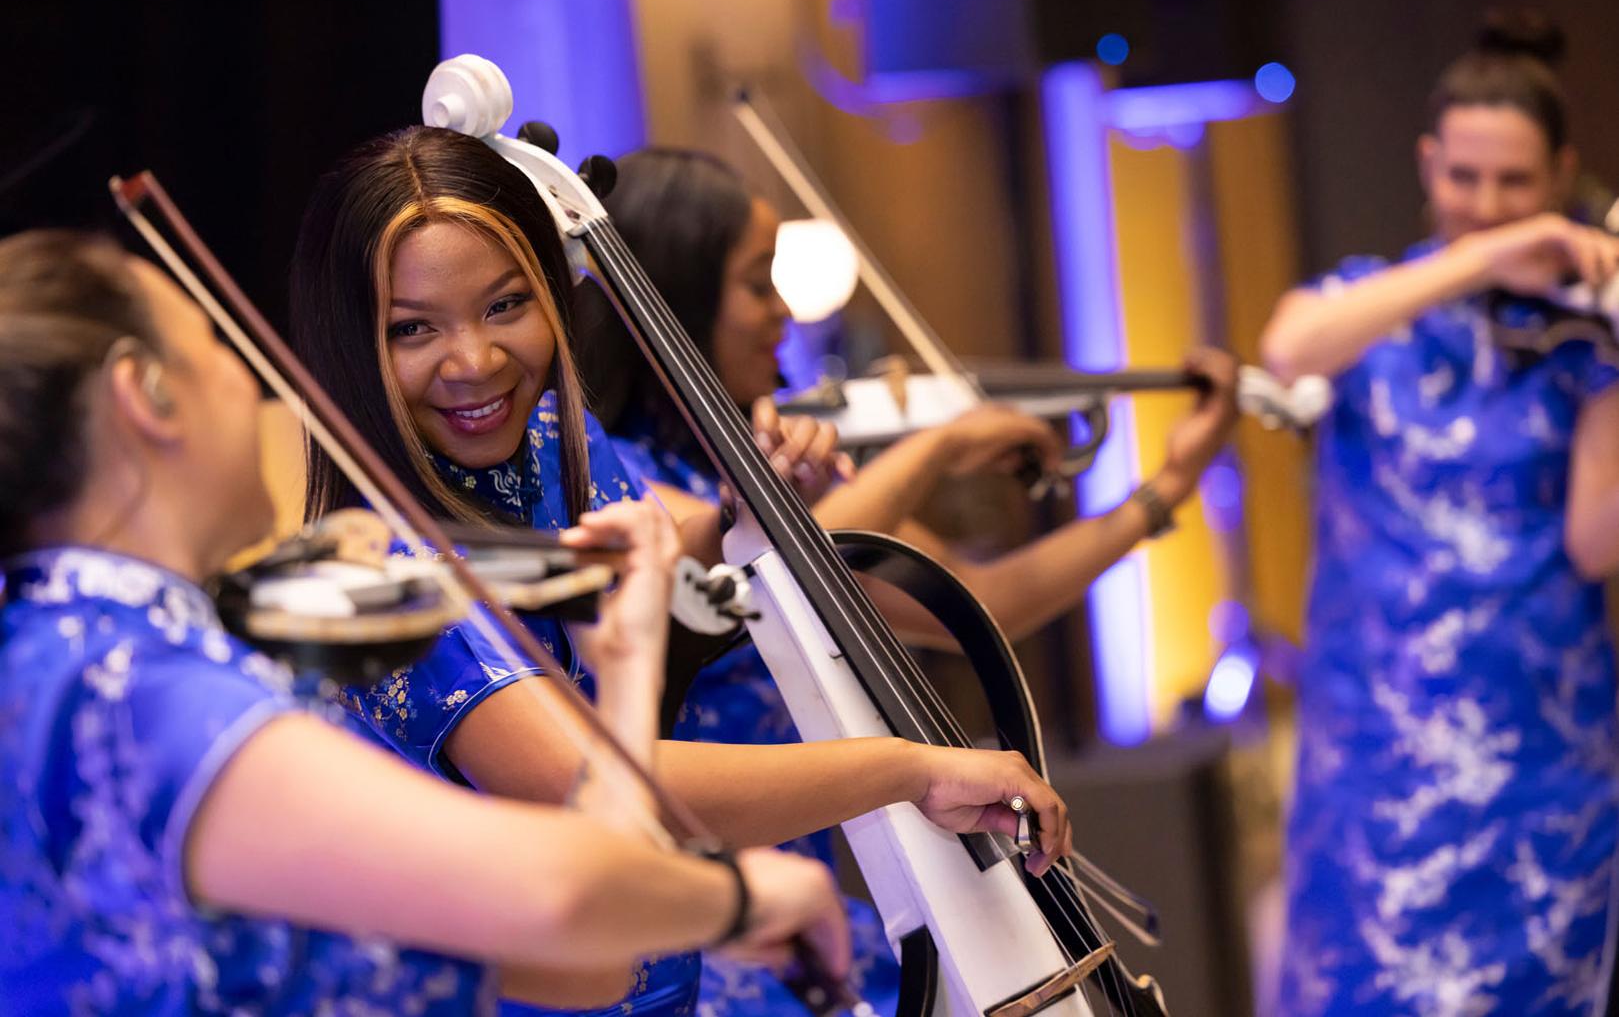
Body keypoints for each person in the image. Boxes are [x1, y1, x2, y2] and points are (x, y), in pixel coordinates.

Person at [286, 125, 1078, 1017]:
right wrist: (910, 770)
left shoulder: (560, 445)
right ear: (350, 344)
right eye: (412, 328)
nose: (474, 360)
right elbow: (587, 782)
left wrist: (750, 507)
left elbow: (669, 546)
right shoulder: (388, 571)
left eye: (506, 305)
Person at [0, 229, 852, 1014]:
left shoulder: (52, 662)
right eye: (213, 345)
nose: (252, 379)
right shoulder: (131, 688)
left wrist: (624, 670)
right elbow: (560, 897)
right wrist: (733, 896)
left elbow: (583, 964)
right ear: (143, 395)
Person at [580, 146, 1239, 1015]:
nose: (783, 312)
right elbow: (779, 557)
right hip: (709, 928)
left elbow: (972, 599)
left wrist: (1161, 493)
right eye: (756, 284)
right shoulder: (621, 479)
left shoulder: (759, 457)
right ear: (675, 297)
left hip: (817, 901)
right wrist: (941, 448)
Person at [1259, 14, 1619, 1016]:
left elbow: (1593, 543)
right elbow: (1287, 351)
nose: (1486, 205)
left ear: (1560, 175)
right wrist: (1482, 257)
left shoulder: (1587, 338)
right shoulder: (1368, 305)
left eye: (1514, 184)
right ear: (1426, 164)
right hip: (1375, 764)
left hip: (1539, 772)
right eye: (1463, 178)